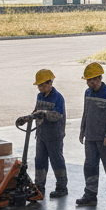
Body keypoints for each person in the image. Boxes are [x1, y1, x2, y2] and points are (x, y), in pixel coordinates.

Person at [76, 62, 106, 206]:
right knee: (89, 166)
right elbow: (86, 113)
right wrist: (82, 131)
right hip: (90, 137)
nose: (90, 83)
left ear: (100, 78)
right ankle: (90, 194)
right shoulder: (87, 93)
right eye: (88, 80)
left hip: (104, 139)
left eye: (92, 80)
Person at [32, 67, 67, 198]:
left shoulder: (58, 98)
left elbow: (57, 115)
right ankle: (39, 187)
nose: (39, 88)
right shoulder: (40, 96)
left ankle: (62, 187)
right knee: (40, 161)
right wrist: (29, 117)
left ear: (50, 83)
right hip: (41, 135)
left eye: (41, 85)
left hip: (54, 136)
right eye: (38, 85)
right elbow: (36, 110)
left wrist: (44, 113)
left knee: (56, 161)